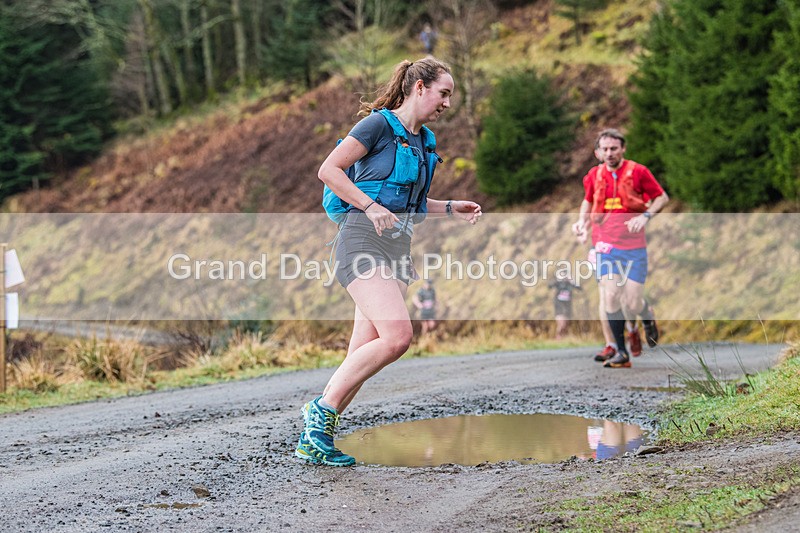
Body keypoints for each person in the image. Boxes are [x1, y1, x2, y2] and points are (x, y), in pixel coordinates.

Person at [297, 58, 482, 466]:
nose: (447, 103)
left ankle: (315, 440)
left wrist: (451, 207)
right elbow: (329, 170)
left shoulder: (424, 141)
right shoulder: (377, 126)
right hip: (361, 240)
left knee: (361, 354)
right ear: (419, 87)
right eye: (444, 93)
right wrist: (369, 206)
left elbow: (410, 201)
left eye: (450, 96)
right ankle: (319, 411)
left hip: (397, 250)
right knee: (398, 337)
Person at [572, 128, 667, 368]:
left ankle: (646, 314)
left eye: (614, 148)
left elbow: (662, 198)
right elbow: (588, 201)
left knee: (632, 302)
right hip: (604, 246)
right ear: (598, 152)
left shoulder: (638, 172)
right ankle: (621, 352)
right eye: (605, 149)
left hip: (633, 247)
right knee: (611, 294)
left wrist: (645, 216)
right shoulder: (593, 175)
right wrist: (581, 223)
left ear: (623, 149)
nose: (609, 153)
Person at [548, 271, 581, 339]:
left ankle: (562, 338)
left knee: (565, 324)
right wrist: (558, 280)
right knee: (561, 324)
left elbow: (579, 288)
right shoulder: (558, 283)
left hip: (567, 307)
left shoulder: (569, 284)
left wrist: (573, 281)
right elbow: (550, 286)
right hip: (559, 306)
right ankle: (558, 337)